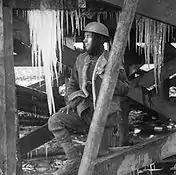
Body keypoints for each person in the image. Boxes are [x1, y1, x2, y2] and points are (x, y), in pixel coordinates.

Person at [48, 22, 130, 175]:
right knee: (55, 121)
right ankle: (73, 159)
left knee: (101, 162)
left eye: (88, 37)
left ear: (100, 40)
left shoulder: (112, 60)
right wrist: (72, 103)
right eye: (84, 37)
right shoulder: (80, 59)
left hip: (105, 117)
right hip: (85, 112)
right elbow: (72, 84)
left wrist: (109, 77)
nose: (84, 40)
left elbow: (126, 88)